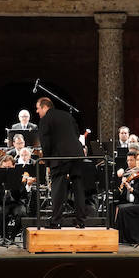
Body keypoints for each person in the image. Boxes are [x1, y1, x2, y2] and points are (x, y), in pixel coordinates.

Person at [37, 97, 87, 229]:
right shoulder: (67, 115)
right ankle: (81, 221)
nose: (37, 112)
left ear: (44, 107)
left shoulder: (45, 119)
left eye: (38, 108)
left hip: (59, 157)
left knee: (58, 188)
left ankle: (56, 221)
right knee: (78, 187)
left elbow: (45, 143)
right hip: (76, 155)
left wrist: (47, 162)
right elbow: (76, 134)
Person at [114, 151, 139, 246]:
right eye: (138, 160)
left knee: (126, 210)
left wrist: (130, 188)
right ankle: (123, 238)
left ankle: (135, 238)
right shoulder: (138, 174)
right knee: (120, 208)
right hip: (137, 203)